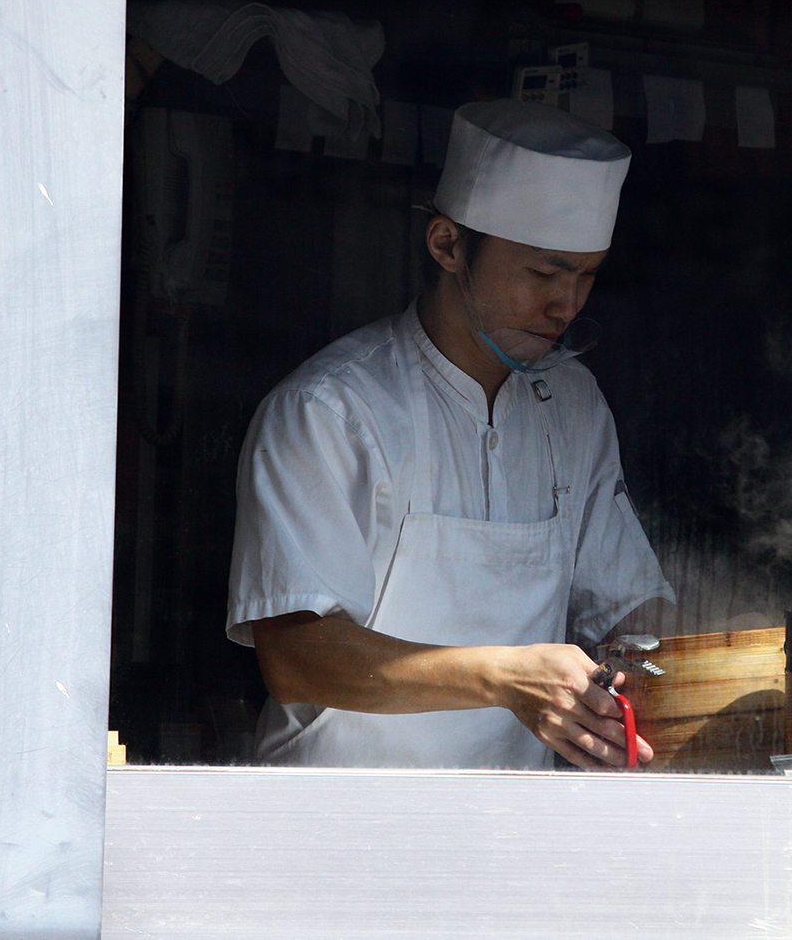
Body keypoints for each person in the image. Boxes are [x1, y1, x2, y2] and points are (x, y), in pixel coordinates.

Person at [226, 98, 674, 769]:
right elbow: (294, 655)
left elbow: (625, 605)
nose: (567, 304)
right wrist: (505, 677)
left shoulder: (572, 404)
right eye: (545, 272)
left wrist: (700, 652)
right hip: (338, 818)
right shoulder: (330, 410)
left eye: (587, 275)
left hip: (512, 823)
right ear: (448, 245)